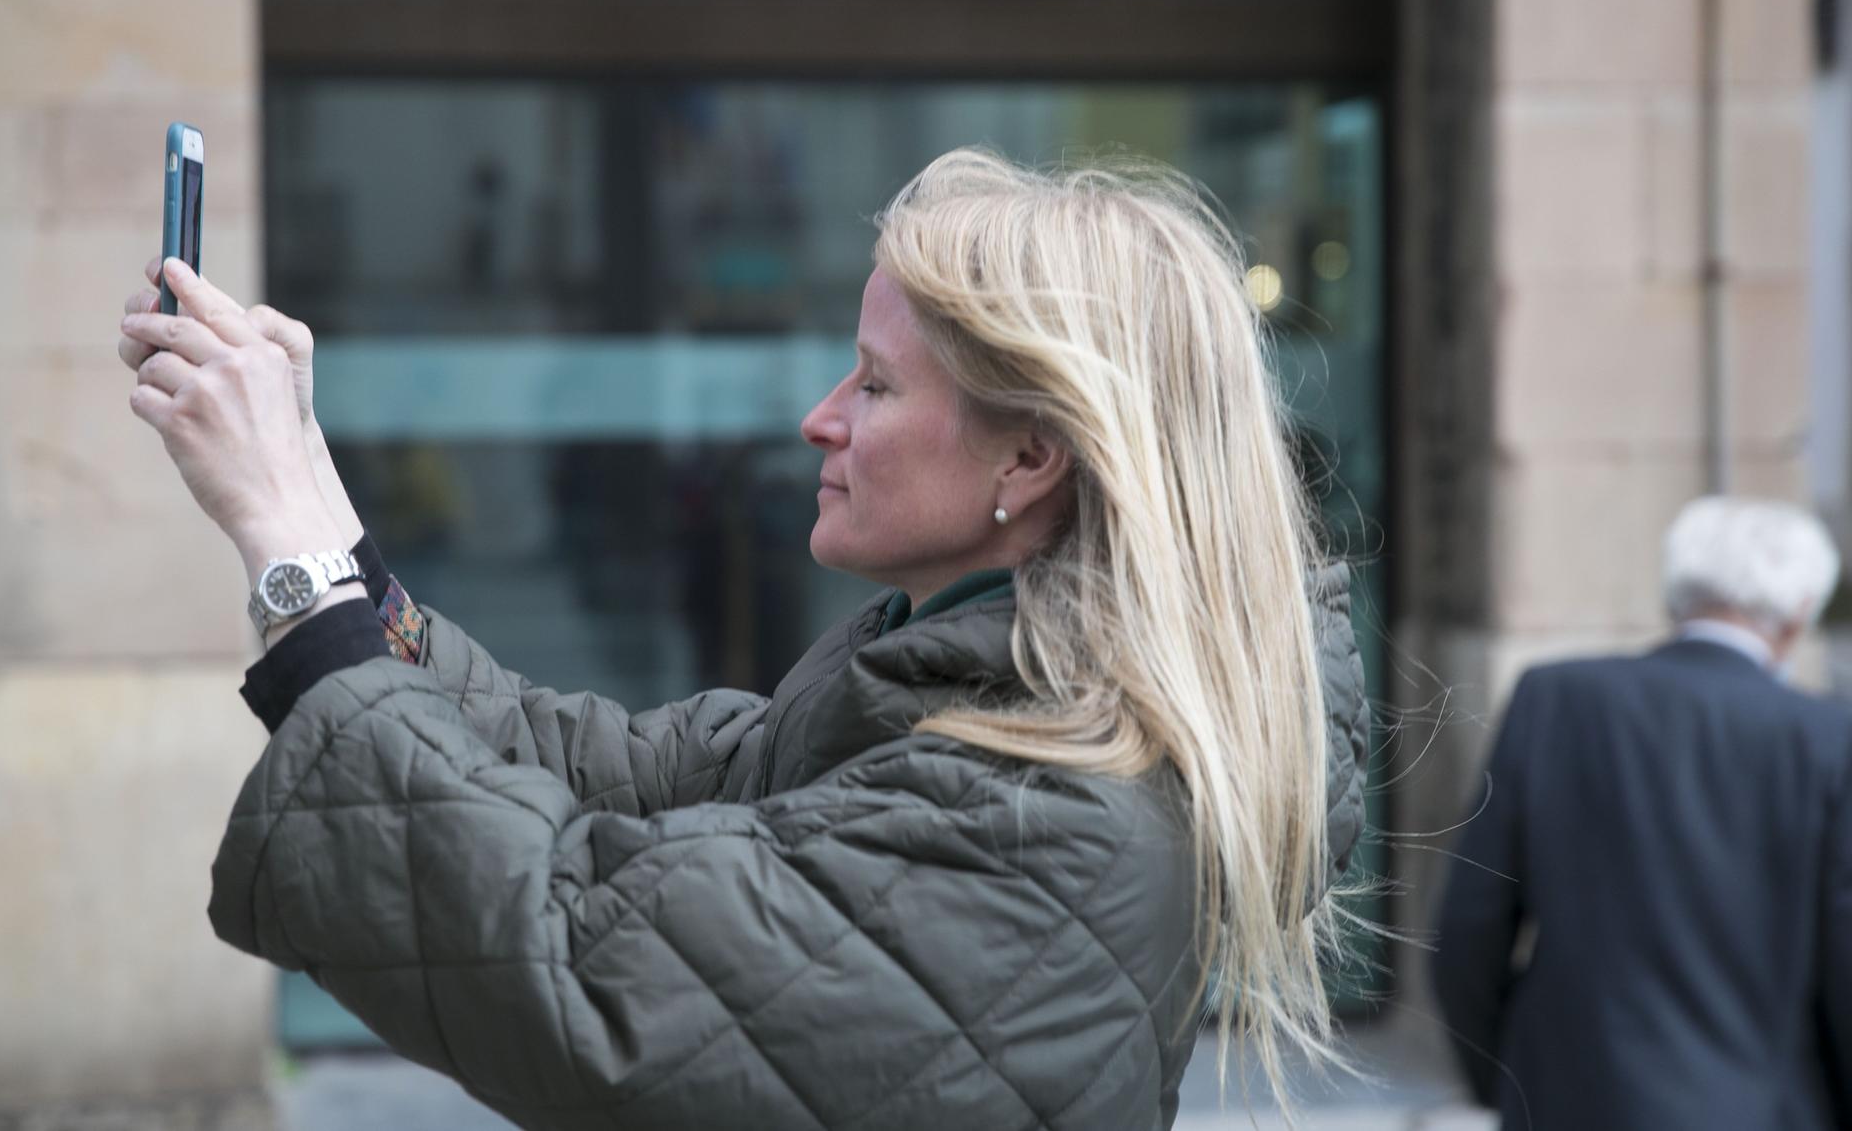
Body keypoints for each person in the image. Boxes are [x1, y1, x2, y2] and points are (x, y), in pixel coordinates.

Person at [116, 147, 1371, 1129]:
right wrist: (310, 503)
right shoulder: (954, 703)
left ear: (1031, 455)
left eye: (875, 385)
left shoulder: (1049, 820)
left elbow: (583, 964)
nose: (821, 418)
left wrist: (285, 532)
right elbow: (584, 775)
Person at [1432, 495, 1852, 1130]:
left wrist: (1508, 1080)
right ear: (1797, 614)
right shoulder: (1826, 738)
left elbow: (1467, 930)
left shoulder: (1556, 700)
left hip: (1567, 1102)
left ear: (1676, 594)